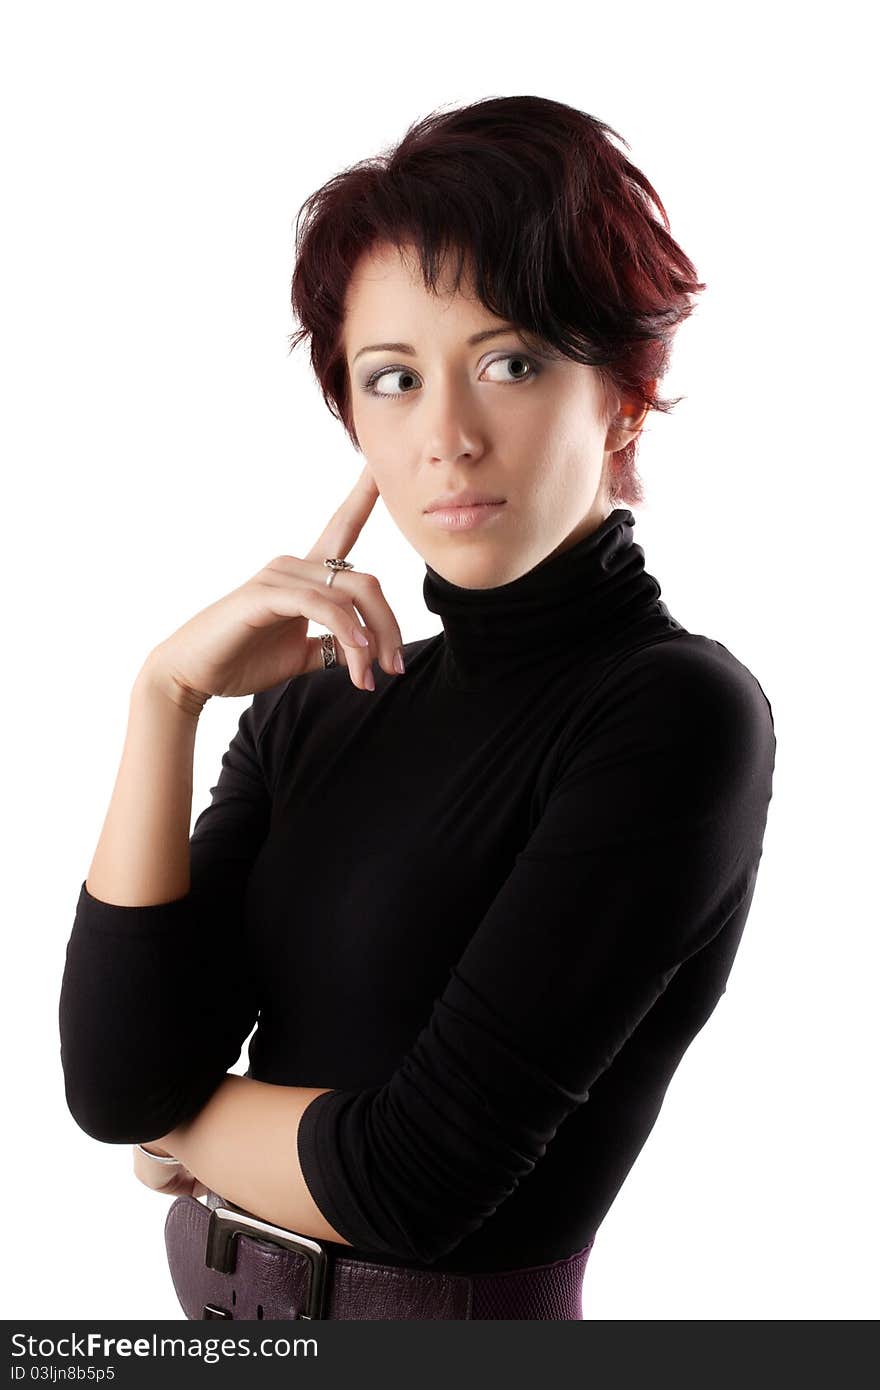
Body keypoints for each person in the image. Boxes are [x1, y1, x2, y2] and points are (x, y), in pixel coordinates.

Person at [58, 94, 777, 1320]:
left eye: (510, 362)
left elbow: (414, 1177)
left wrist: (175, 1124)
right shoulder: (326, 702)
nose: (446, 435)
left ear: (621, 397)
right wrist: (164, 696)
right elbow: (109, 1078)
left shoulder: (674, 712)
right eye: (392, 380)